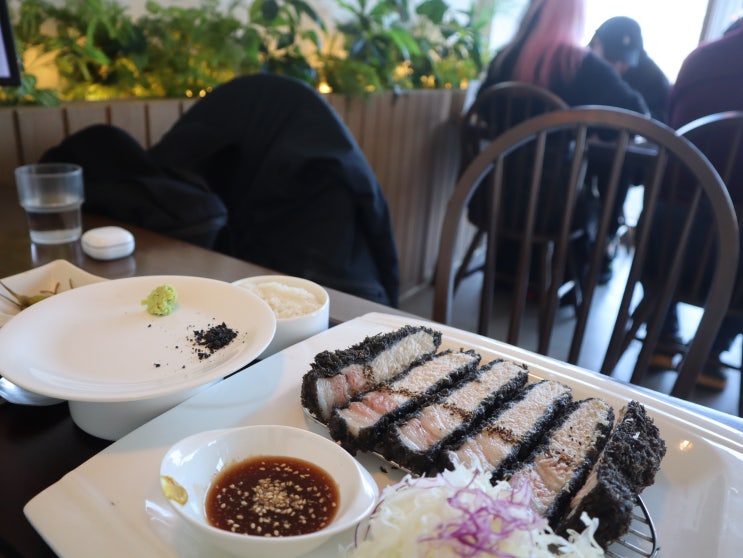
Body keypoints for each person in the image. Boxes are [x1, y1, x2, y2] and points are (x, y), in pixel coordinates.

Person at [472, 0, 649, 285]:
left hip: (493, 195)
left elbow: (483, 109)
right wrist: (594, 128)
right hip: (552, 209)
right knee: (593, 193)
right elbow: (638, 114)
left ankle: (511, 273)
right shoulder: (582, 65)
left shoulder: (505, 58)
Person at [650, 21, 743, 391]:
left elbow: (670, 125)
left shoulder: (699, 58)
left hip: (671, 247)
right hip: (738, 270)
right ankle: (712, 351)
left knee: (667, 208)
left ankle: (661, 333)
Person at [590, 16, 671, 123]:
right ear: (595, 44)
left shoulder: (653, 79)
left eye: (625, 61)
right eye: (612, 59)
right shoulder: (577, 66)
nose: (618, 66)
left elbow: (659, 125)